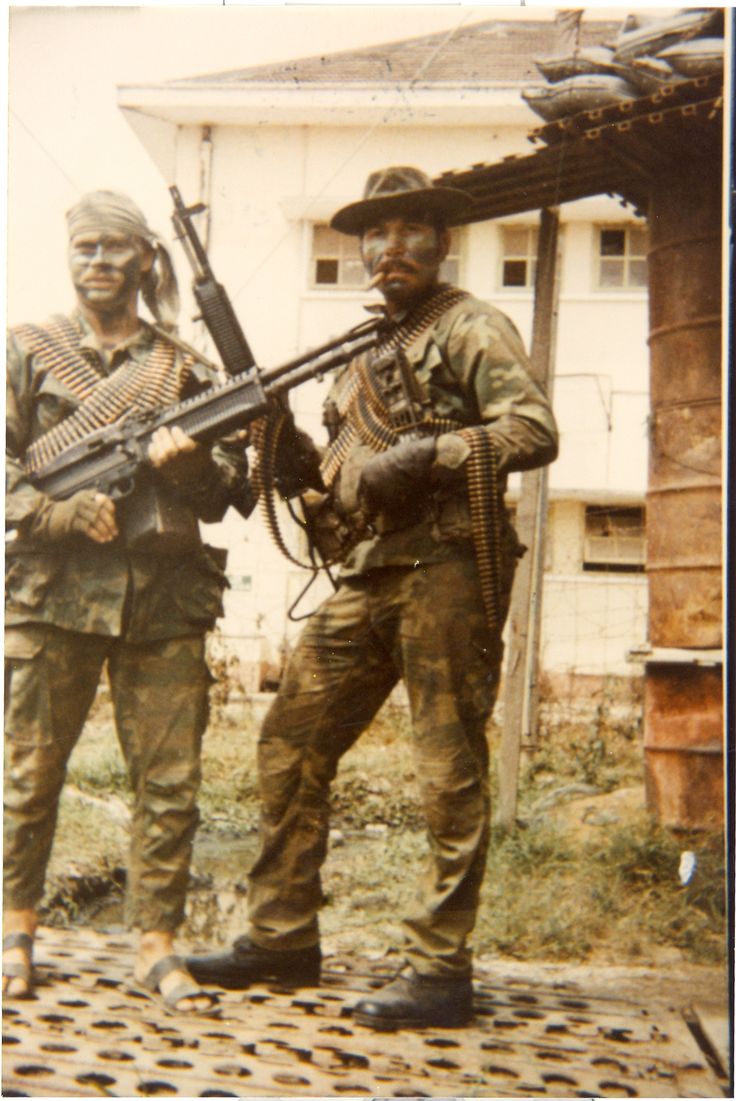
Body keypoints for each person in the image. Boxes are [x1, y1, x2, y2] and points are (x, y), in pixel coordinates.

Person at [187, 166, 559, 1030]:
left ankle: (439, 970)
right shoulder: (360, 351)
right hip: (369, 570)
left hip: (449, 570)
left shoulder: (469, 325)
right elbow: (335, 476)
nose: (392, 248)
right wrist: (285, 453)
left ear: (442, 240)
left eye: (411, 231)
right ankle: (282, 936)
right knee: (290, 738)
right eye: (376, 235)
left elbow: (534, 429)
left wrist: (432, 453)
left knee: (447, 768)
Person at [3, 190, 253, 1012]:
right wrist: (57, 510)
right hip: (52, 598)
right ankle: (14, 932)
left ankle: (158, 947)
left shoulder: (182, 365)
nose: (100, 262)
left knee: (169, 779)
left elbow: (231, 491)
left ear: (148, 259)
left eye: (117, 247)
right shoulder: (27, 353)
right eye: (86, 248)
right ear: (68, 257)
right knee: (30, 775)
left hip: (164, 601)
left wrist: (189, 472)